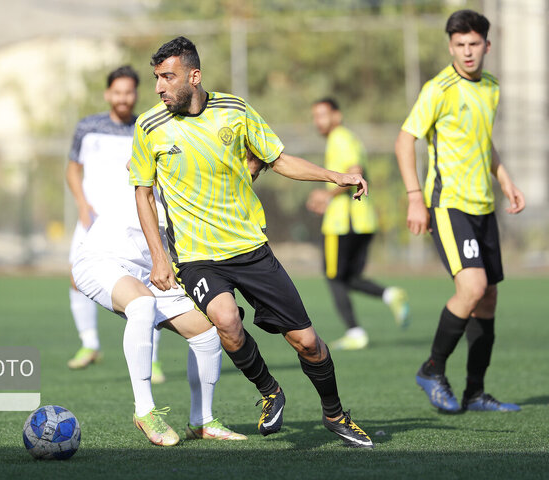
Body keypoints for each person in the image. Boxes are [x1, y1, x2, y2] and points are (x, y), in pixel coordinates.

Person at [130, 36, 374, 448]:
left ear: (194, 75)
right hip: (197, 258)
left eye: (167, 77)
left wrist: (335, 176)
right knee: (226, 320)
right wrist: (159, 257)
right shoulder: (148, 126)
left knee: (308, 343)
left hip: (251, 249)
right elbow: (142, 191)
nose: (159, 87)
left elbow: (278, 159)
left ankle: (335, 415)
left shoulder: (235, 110)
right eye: (156, 78)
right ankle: (270, 391)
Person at [71, 157, 253, 446]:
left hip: (151, 272)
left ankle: (202, 421)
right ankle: (144, 411)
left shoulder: (208, 195)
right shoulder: (172, 155)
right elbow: (133, 163)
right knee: (142, 304)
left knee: (206, 331)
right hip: (101, 260)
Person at [395, 10, 525, 413]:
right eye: (459, 45)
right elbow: (404, 141)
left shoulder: (491, 86)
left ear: (487, 45)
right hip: (448, 204)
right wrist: (415, 196)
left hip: (484, 207)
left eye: (474, 44)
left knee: (487, 300)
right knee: (471, 288)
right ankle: (432, 370)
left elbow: (483, 144)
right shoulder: (439, 88)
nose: (467, 52)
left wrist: (505, 180)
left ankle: (475, 392)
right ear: (451, 46)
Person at [65, 65, 164, 382]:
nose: (123, 98)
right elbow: (72, 169)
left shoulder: (145, 127)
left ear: (136, 94)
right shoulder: (87, 126)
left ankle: (154, 359)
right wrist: (82, 204)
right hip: (93, 219)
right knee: (75, 277)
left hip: (134, 220)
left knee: (150, 284)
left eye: (129, 92)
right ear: (109, 93)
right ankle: (89, 344)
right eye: (118, 92)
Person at [307, 98, 410, 351]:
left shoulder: (340, 138)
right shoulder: (348, 138)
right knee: (348, 277)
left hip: (343, 222)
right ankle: (389, 295)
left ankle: (355, 332)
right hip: (363, 221)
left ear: (337, 116)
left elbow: (354, 171)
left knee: (333, 278)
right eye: (315, 116)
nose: (318, 121)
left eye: (323, 115)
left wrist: (326, 195)